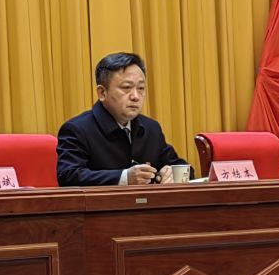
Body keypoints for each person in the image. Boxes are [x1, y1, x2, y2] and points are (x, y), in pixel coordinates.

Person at [57, 52, 187, 186]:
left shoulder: (151, 128)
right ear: (102, 93)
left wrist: (172, 173)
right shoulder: (77, 129)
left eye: (141, 88)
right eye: (126, 88)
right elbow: (68, 176)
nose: (136, 96)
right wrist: (124, 178)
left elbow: (185, 168)